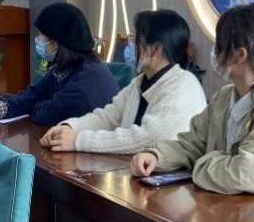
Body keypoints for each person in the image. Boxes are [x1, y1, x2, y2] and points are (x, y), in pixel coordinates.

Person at [130, 3, 254, 202]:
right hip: (236, 210)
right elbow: (192, 144)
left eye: (219, 45)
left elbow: (247, 173)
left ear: (240, 55)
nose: (215, 52)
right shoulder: (224, 97)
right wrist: (157, 156)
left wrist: (203, 163)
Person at [39, 9, 207, 154]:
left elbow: (151, 138)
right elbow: (107, 117)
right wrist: (70, 128)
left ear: (156, 49)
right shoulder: (139, 83)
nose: (131, 46)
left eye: (137, 41)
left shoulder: (183, 85)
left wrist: (79, 140)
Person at [0, 2, 119, 126]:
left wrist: (36, 105)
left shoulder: (87, 80)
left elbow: (48, 114)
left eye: (41, 35)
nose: (38, 39)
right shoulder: (63, 69)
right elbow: (32, 95)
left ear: (56, 43)